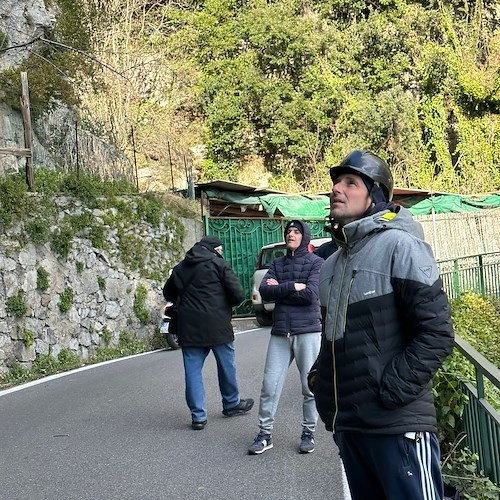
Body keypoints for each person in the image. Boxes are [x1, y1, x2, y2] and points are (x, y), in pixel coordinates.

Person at [313, 150, 454, 499]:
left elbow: (436, 334)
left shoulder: (402, 246)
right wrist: (321, 385)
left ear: (374, 194)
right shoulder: (330, 266)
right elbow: (330, 338)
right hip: (350, 426)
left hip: (397, 426)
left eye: (350, 182)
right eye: (336, 181)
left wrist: (390, 391)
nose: (337, 189)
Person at [163, 235, 254, 430]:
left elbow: (168, 294)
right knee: (226, 365)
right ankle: (231, 403)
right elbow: (237, 294)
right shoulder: (219, 264)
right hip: (217, 324)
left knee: (193, 371)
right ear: (214, 248)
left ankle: (198, 416)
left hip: (189, 328)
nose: (221, 252)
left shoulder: (180, 268)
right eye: (220, 249)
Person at [248, 220, 323, 455]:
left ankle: (308, 432)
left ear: (305, 236)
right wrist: (294, 286)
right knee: (269, 385)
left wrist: (281, 288)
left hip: (308, 330)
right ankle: (264, 433)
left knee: (309, 386)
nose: (291, 234)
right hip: (281, 331)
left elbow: (311, 295)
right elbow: (265, 291)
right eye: (288, 231)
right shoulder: (277, 264)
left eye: (296, 231)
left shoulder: (316, 263)